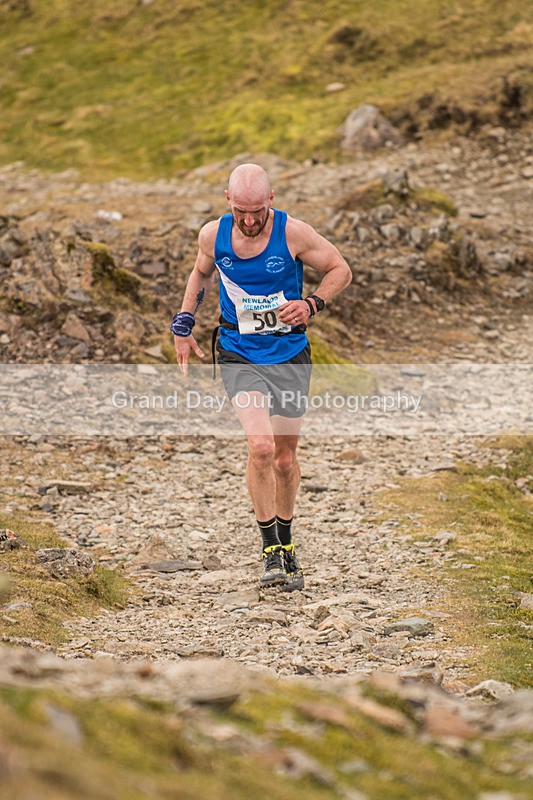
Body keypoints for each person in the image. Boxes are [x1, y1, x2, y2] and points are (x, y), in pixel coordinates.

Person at [172, 163, 352, 591]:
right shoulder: (212, 235)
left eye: (257, 211)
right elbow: (201, 272)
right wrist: (184, 321)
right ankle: (270, 550)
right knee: (262, 447)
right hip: (238, 352)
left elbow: (340, 269)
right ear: (227, 200)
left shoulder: (293, 233)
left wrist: (311, 304)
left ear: (271, 199)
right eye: (241, 211)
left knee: (285, 459)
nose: (249, 221)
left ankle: (287, 543)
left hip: (289, 354)